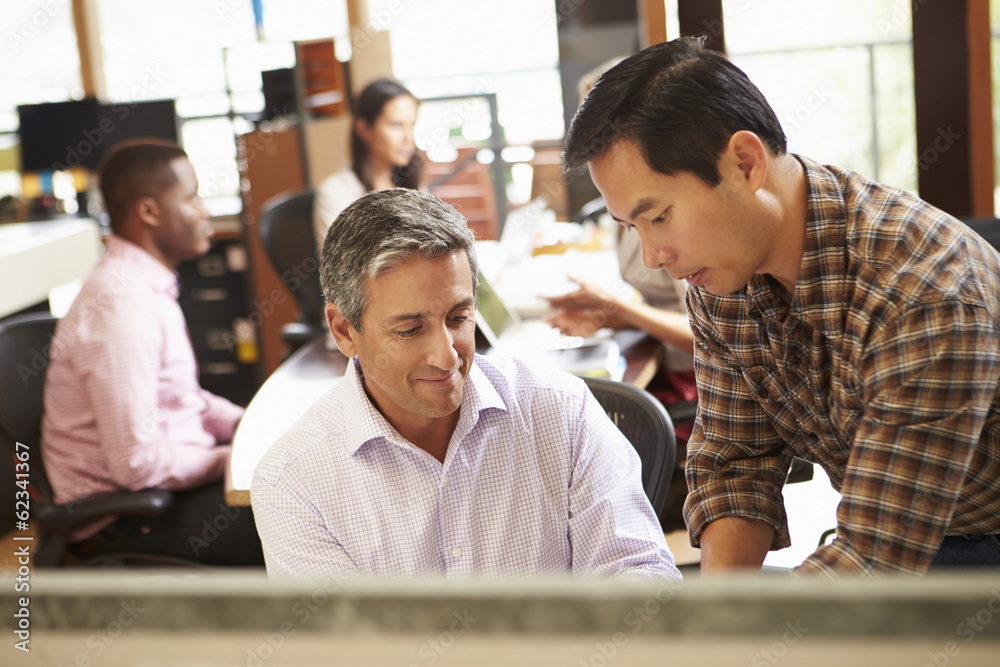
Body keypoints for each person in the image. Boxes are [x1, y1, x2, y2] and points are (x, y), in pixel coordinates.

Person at [562, 36, 1000, 577]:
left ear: (745, 163)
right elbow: (734, 462)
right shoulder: (724, 272)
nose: (653, 257)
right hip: (894, 529)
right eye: (632, 227)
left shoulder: (923, 292)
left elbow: (876, 558)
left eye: (659, 217)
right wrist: (719, 620)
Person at [252, 188, 680, 580]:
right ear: (344, 331)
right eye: (409, 330)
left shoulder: (563, 412)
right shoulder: (294, 482)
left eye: (458, 319)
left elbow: (639, 577)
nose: (447, 357)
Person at [41, 139, 264, 566]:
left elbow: (184, 399)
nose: (203, 211)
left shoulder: (145, 286)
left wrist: (251, 427)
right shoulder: (121, 306)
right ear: (149, 212)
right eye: (192, 198)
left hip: (162, 491)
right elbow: (136, 465)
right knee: (298, 523)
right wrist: (227, 461)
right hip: (127, 514)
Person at [545, 58, 699, 534]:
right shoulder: (622, 211)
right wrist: (614, 319)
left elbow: (703, 332)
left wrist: (621, 310)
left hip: (691, 383)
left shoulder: (684, 226)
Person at [312, 78, 424, 248]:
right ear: (363, 128)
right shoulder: (335, 194)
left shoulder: (412, 183)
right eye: (396, 125)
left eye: (412, 125)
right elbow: (342, 272)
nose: (409, 138)